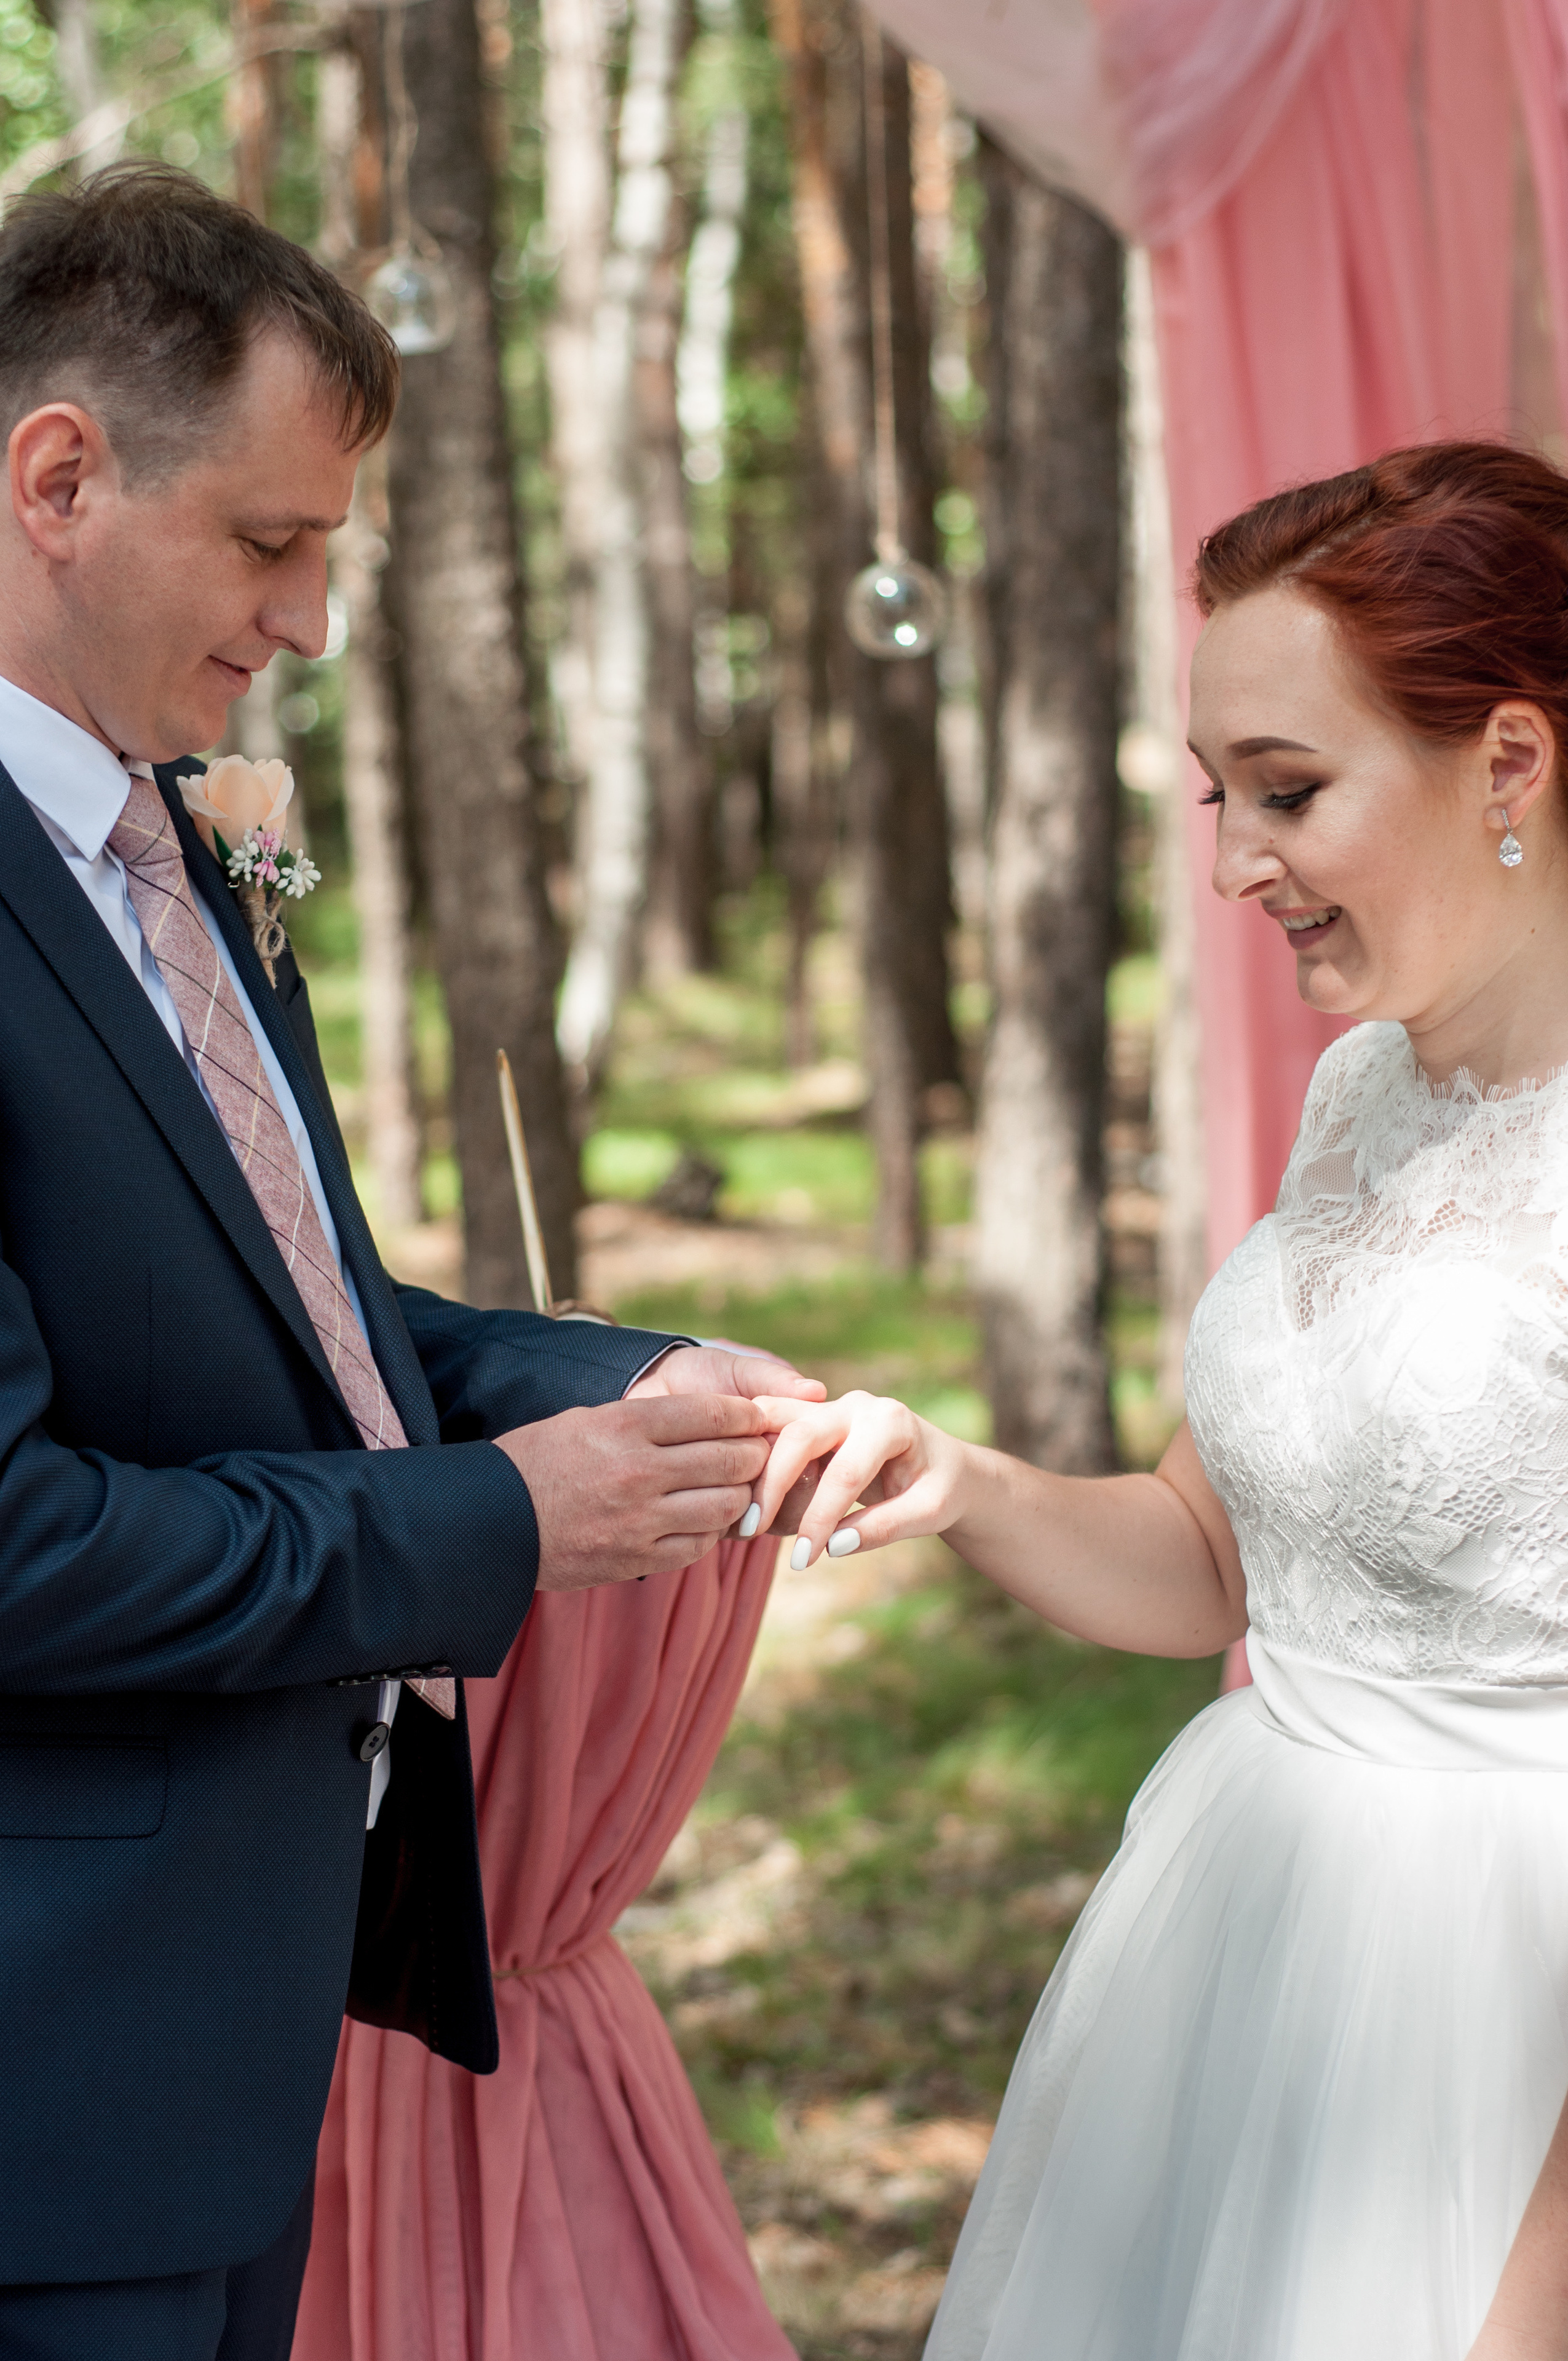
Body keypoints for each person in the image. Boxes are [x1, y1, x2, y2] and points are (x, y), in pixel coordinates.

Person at [0, 165, 820, 2361]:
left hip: (227, 2038)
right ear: (57, 476)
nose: (308, 625)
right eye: (271, 545)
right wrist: (497, 1525)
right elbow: (14, 1543)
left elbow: (320, 1333)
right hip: (41, 2077)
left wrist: (628, 1377)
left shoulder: (164, 843)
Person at [744, 440, 1568, 2359]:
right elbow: (1218, 1560)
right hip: (1250, 1972)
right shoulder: (1370, 1089)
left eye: (1289, 793)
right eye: (1217, 796)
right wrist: (957, 1480)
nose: (1231, 866)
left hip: (1503, 2045)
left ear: (1508, 763)